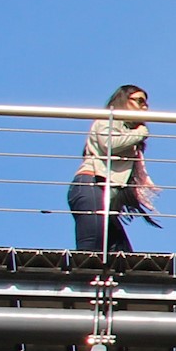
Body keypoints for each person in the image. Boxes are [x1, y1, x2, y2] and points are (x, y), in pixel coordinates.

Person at [70, 85, 158, 255]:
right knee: (91, 251)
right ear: (123, 100)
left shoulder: (127, 130)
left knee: (122, 255)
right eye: (139, 101)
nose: (145, 107)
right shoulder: (107, 120)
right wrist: (140, 132)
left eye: (146, 103)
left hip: (103, 195)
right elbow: (109, 145)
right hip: (92, 185)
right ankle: (82, 280)